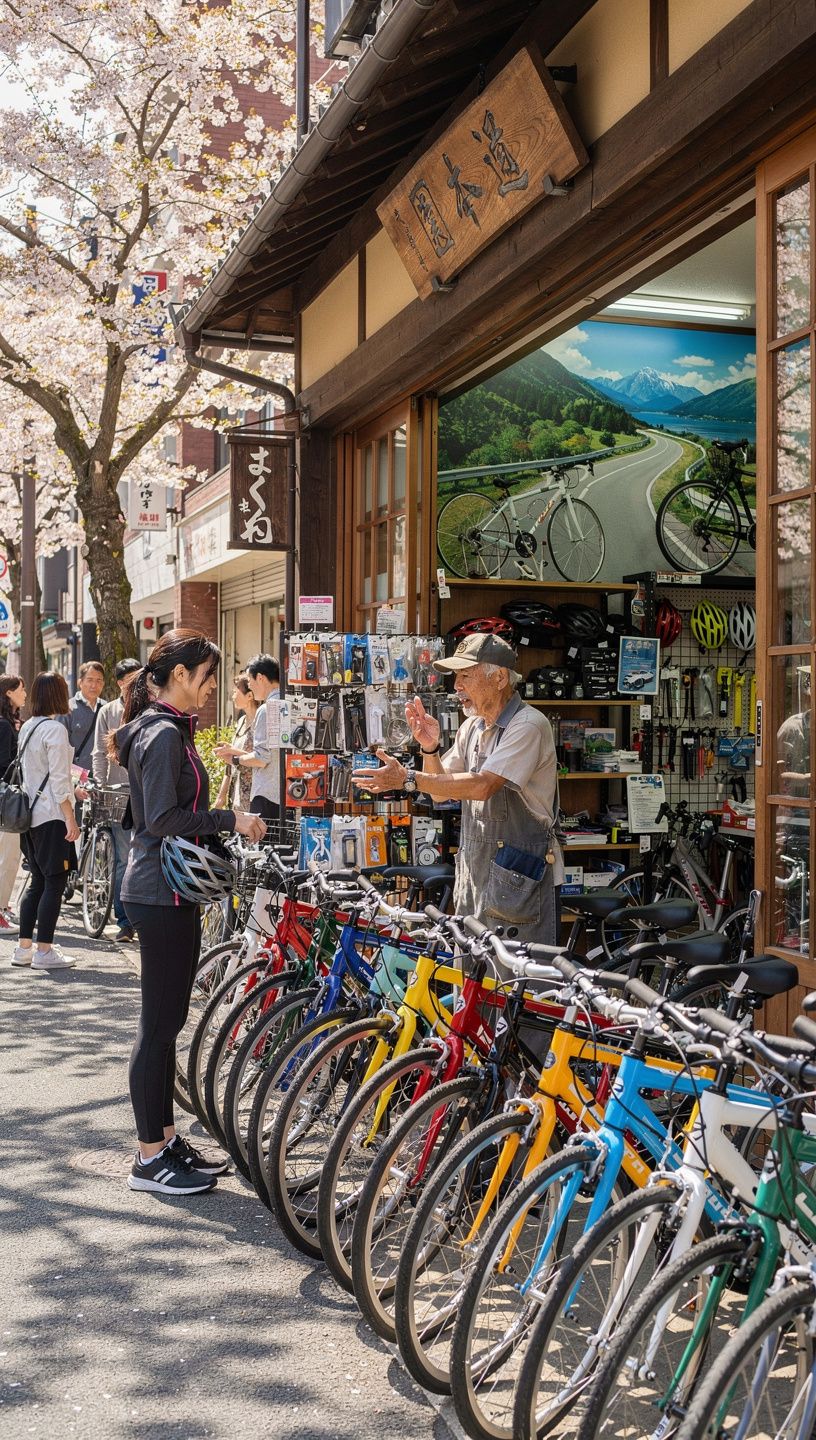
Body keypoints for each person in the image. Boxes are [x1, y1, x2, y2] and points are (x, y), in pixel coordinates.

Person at [112, 629, 266, 1196]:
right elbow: (159, 819)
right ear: (179, 676)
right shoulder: (161, 736)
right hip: (159, 893)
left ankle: (165, 1138)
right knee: (157, 1027)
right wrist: (231, 820)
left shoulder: (168, 730)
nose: (211, 690)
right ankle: (149, 1158)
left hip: (168, 892)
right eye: (205, 677)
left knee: (168, 1022)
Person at [355, 632, 562, 951]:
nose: (456, 687)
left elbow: (482, 786)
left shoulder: (528, 725)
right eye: (456, 677)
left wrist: (408, 778)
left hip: (520, 883)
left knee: (514, 991)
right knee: (471, 984)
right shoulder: (474, 727)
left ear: (500, 678)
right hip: (477, 876)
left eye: (466, 676)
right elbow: (441, 793)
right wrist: (430, 749)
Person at [11, 672, 80, 971]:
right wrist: (71, 819)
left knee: (38, 881)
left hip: (29, 815)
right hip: (52, 815)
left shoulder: (28, 726)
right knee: (55, 883)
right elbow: (61, 783)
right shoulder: (54, 729)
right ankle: (44, 951)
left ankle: (24, 948)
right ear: (57, 695)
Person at [91, 657, 142, 943]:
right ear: (121, 683)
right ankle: (125, 922)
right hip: (118, 792)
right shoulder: (109, 711)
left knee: (144, 854)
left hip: (143, 793)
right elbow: (99, 751)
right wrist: (100, 784)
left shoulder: (148, 709)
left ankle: (139, 916)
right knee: (123, 858)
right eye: (133, 679)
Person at [214, 653, 280, 820]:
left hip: (266, 794)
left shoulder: (266, 710)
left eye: (250, 682)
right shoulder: (289, 703)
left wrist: (235, 759)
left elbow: (261, 758)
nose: (251, 686)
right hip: (286, 794)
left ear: (261, 678)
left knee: (262, 845)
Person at [0, 675, 26, 934]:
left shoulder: (9, 724)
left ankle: (3, 906)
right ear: (8, 693)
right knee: (8, 857)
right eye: (21, 689)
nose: (25, 693)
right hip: (7, 799)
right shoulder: (5, 727)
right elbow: (5, 766)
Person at [214, 674, 258, 812]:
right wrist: (221, 798)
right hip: (236, 796)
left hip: (255, 796)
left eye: (235, 692)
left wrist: (232, 751)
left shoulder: (261, 722)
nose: (233, 696)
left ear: (249, 696)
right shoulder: (240, 722)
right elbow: (230, 764)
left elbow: (262, 758)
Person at [67, 660, 106, 773]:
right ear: (80, 682)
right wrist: (76, 783)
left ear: (103, 684)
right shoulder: (68, 709)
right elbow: (62, 751)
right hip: (76, 777)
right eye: (90, 680)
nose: (94, 685)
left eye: (99, 681)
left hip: (102, 776)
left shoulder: (106, 708)